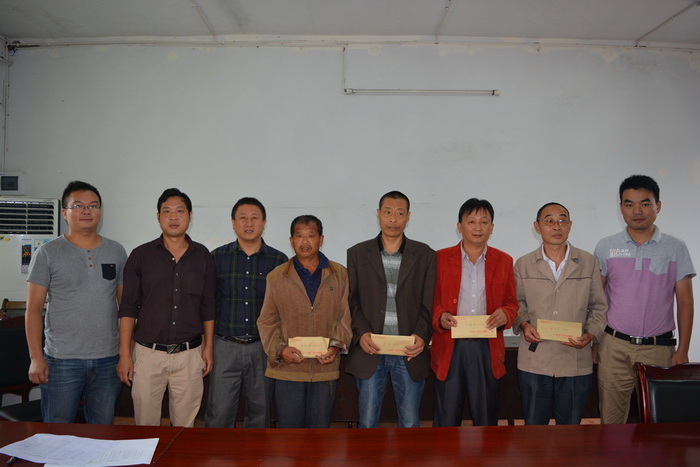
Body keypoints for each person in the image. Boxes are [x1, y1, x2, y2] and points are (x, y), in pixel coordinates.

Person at [594, 175, 695, 424]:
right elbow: (597, 299)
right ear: (621, 208)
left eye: (645, 203)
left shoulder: (676, 247)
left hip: (659, 349)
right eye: (629, 204)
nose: (637, 211)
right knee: (612, 423)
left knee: (659, 423)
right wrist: (594, 342)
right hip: (614, 346)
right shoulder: (606, 246)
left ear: (658, 206)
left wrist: (683, 349)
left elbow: (685, 301)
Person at [26, 180, 127, 424]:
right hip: (62, 361)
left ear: (100, 211)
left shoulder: (116, 251)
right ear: (65, 213)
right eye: (78, 206)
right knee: (57, 432)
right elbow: (33, 310)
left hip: (108, 360)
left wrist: (126, 353)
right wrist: (36, 358)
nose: (86, 211)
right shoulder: (48, 252)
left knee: (102, 432)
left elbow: (125, 309)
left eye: (93, 205)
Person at [117, 188, 215, 427]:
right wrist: (124, 354)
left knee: (184, 429)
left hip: (189, 355)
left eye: (180, 211)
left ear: (189, 216)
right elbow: (128, 308)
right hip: (148, 355)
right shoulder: (140, 256)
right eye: (167, 211)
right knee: (145, 426)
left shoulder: (202, 255)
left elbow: (208, 306)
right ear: (158, 216)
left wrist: (209, 347)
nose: (173, 217)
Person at [345, 191, 436, 428]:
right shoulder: (357, 253)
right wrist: (361, 333)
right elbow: (352, 301)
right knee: (367, 423)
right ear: (378, 214)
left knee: (410, 422)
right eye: (387, 212)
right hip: (371, 349)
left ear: (408, 216)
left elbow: (429, 302)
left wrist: (422, 335)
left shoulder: (425, 254)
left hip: (408, 350)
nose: (393, 219)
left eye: (399, 213)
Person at [512, 202, 607, 425]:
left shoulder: (588, 262)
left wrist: (590, 334)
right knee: (534, 430)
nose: (557, 226)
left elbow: (599, 307)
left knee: (570, 431)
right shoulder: (523, 264)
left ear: (570, 225)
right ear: (537, 227)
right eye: (549, 221)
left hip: (574, 360)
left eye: (562, 220)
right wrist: (524, 324)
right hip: (535, 360)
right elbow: (516, 304)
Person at [257, 215, 351, 428]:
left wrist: (335, 347)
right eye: (299, 236)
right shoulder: (277, 276)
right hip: (288, 369)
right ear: (291, 241)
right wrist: (280, 350)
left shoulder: (339, 274)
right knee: (289, 435)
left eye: (311, 236)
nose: (305, 241)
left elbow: (344, 317)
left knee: (320, 432)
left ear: (321, 239)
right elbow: (267, 320)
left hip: (324, 368)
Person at [431, 198, 518, 426]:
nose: (478, 227)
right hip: (450, 346)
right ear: (459, 226)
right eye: (471, 221)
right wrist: (439, 315)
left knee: (486, 418)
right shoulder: (439, 259)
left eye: (484, 222)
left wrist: (505, 314)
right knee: (447, 420)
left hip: (486, 347)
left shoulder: (504, 261)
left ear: (492, 227)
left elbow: (512, 302)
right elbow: (430, 301)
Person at [205, 197, 288, 428]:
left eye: (254, 218)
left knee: (260, 412)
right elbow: (209, 303)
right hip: (225, 346)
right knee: (219, 412)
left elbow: (284, 309)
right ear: (233, 222)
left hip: (263, 347)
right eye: (243, 218)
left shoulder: (279, 260)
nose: (248, 223)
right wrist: (207, 345)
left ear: (264, 223)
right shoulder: (216, 257)